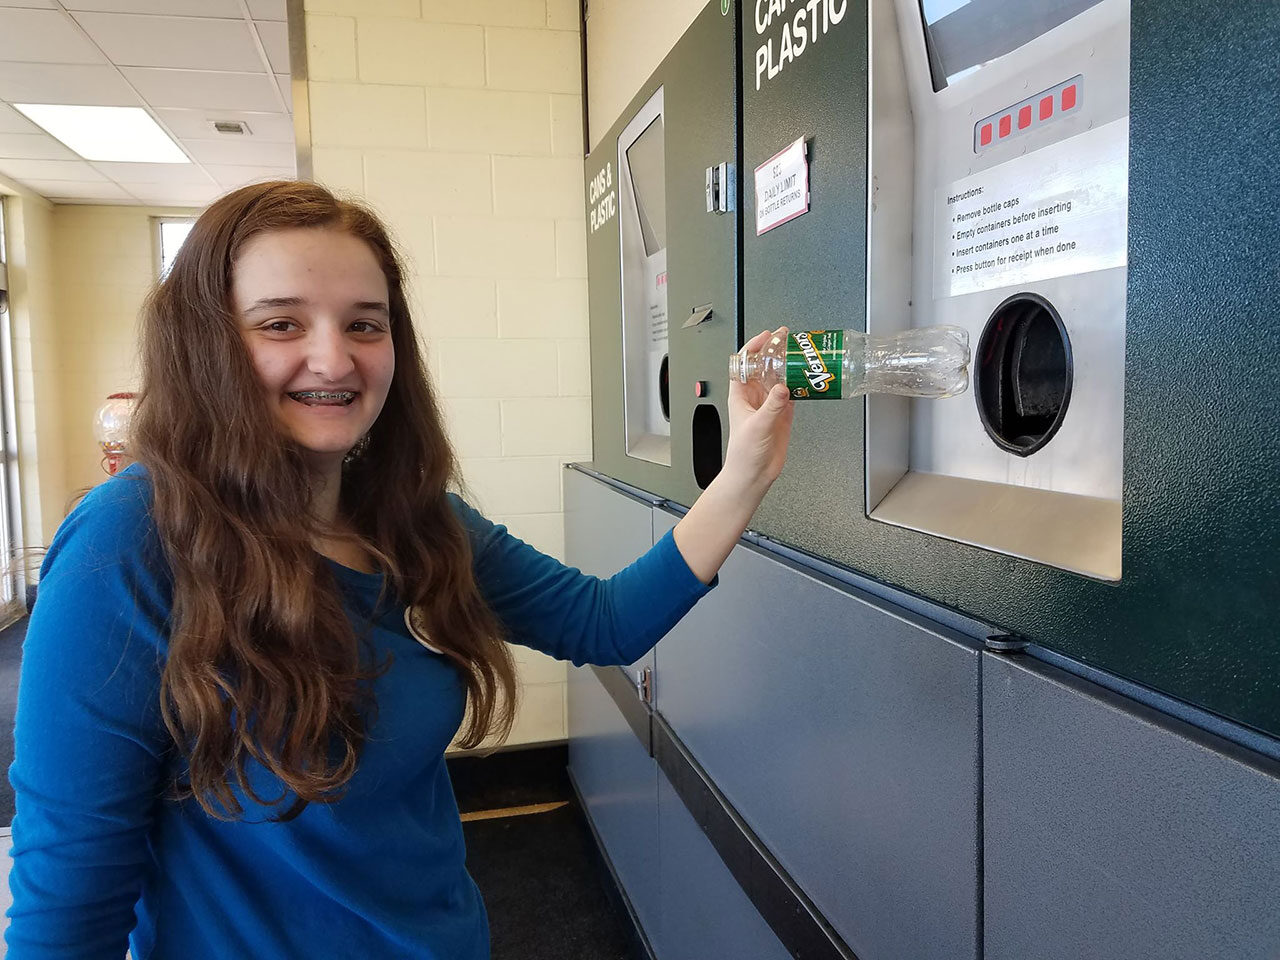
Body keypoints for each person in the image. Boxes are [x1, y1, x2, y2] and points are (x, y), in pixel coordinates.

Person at [4, 180, 794, 959]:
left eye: (364, 324)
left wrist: (744, 473)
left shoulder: (412, 518)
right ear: (206, 345)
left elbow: (604, 621)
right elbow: (71, 892)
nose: (333, 356)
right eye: (280, 322)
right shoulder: (131, 540)